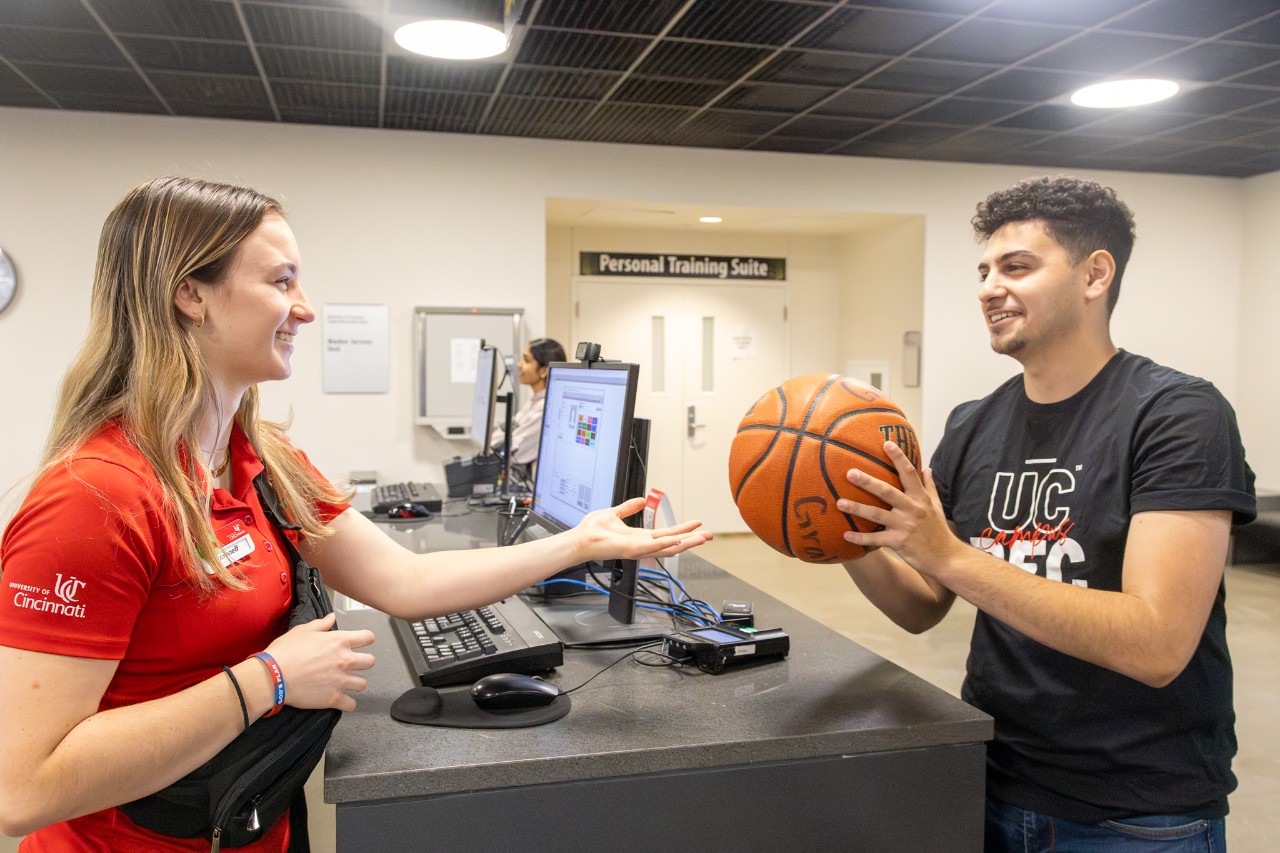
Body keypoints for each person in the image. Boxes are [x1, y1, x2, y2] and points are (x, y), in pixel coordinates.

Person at [0, 177, 710, 851]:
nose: (305, 307)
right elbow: (22, 786)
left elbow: (404, 580)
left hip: (249, 820)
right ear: (191, 293)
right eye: (281, 281)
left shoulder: (262, 459)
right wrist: (268, 678)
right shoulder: (94, 499)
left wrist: (578, 544)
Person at [838, 176, 1254, 851]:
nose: (988, 287)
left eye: (1017, 266)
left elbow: (1156, 643)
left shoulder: (1177, 414)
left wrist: (946, 551)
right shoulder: (973, 424)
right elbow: (922, 604)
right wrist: (841, 533)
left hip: (1135, 813)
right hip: (995, 777)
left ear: (1095, 275)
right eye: (983, 270)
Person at [491, 338, 565, 467]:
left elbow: (511, 450)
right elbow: (503, 435)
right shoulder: (534, 402)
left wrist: (499, 440)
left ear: (543, 371)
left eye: (526, 360)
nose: (519, 365)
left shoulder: (546, 409)